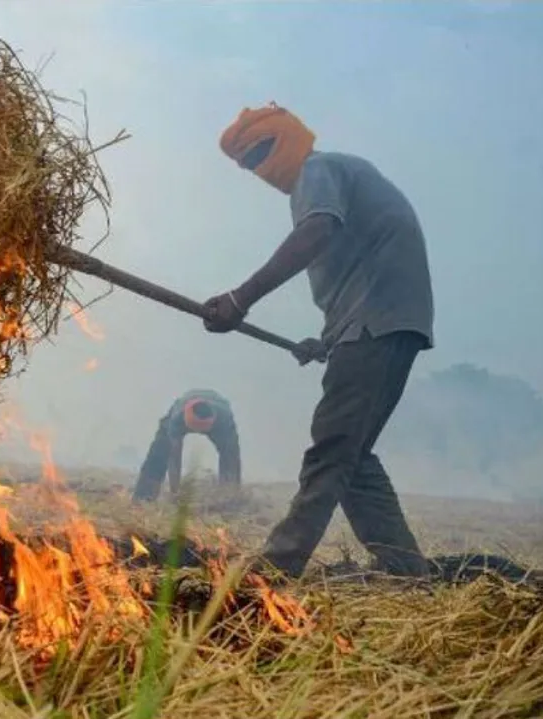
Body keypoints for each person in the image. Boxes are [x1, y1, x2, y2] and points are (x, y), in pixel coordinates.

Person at [201, 103, 433, 578]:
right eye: (248, 163)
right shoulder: (341, 173)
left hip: (375, 326)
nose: (257, 168)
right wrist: (327, 342)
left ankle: (277, 566)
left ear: (288, 137)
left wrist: (240, 298)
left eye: (260, 152)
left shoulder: (318, 169)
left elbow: (317, 232)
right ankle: (408, 570)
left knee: (331, 449)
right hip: (379, 326)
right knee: (352, 454)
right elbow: (358, 268)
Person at [131, 389, 241, 502]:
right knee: (159, 453)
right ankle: (143, 498)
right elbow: (173, 457)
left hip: (219, 415)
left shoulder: (224, 420)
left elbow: (231, 459)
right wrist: (175, 492)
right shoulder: (177, 417)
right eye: (195, 427)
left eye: (202, 428)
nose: (198, 431)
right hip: (184, 407)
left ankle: (230, 501)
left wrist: (229, 490)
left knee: (230, 459)